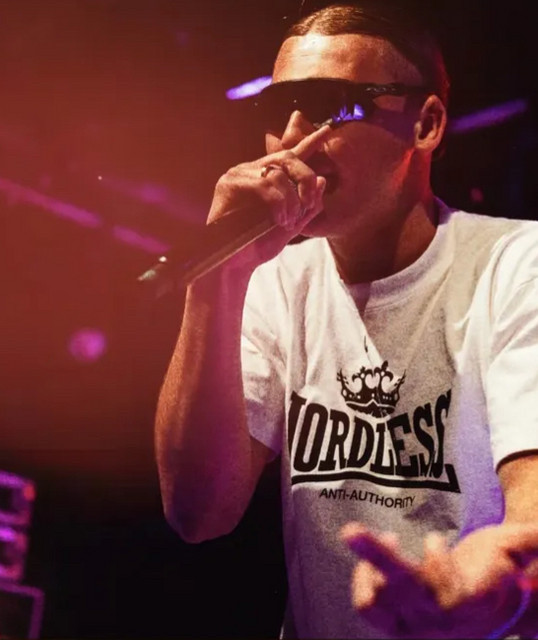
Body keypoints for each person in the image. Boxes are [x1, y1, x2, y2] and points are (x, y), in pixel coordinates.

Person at [155, 2, 538, 637]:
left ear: (425, 124)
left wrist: (481, 583)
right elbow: (199, 513)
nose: (293, 136)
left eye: (331, 104)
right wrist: (216, 278)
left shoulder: (516, 265)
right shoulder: (275, 280)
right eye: (279, 108)